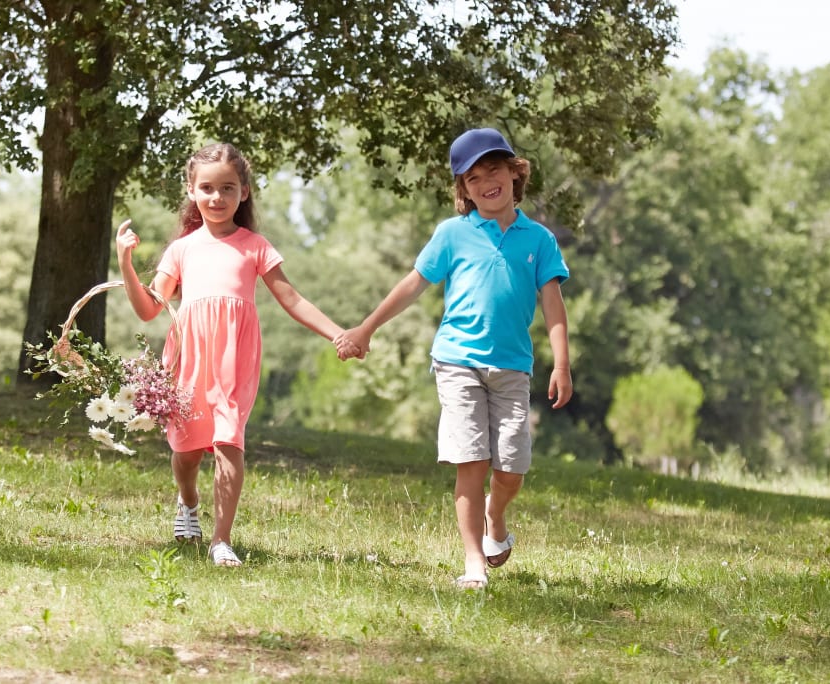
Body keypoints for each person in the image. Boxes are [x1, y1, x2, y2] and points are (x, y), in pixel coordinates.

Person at [339, 128, 572, 589]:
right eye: (474, 177)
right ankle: (473, 563)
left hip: (512, 368)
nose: (487, 181)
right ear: (463, 189)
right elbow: (411, 285)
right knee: (472, 462)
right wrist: (366, 327)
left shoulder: (538, 239)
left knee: (510, 470)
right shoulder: (452, 234)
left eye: (495, 170)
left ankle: (495, 518)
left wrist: (562, 363)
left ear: (514, 172)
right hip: (457, 360)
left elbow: (553, 304)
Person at [117, 142, 363, 567]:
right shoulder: (182, 249)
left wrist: (339, 333)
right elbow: (147, 309)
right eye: (207, 188)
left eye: (227, 188)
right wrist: (125, 261)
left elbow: (293, 300)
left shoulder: (255, 246)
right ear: (192, 191)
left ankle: (221, 540)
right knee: (187, 449)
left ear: (243, 192)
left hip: (235, 359)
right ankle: (188, 503)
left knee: (228, 439)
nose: (217, 197)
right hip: (189, 358)